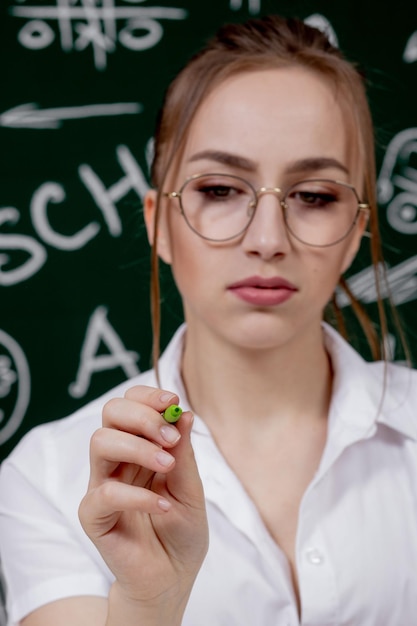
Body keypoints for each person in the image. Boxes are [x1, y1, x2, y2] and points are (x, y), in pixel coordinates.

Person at [0, 13, 416, 626]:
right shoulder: (48, 477)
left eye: (315, 196)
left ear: (357, 229)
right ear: (158, 221)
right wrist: (151, 602)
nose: (268, 239)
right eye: (220, 190)